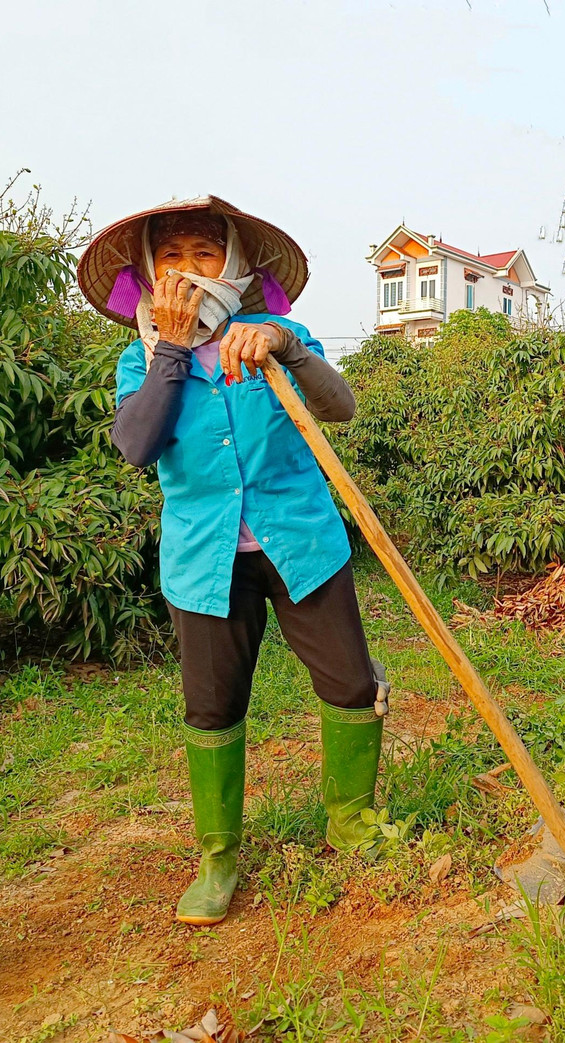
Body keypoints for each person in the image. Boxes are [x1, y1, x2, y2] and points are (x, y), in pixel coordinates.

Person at [76, 196, 388, 926]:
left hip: (301, 544)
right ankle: (218, 857)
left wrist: (287, 348)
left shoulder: (279, 335)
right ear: (150, 271)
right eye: (172, 256)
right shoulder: (141, 358)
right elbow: (136, 446)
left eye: (204, 254)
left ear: (235, 264)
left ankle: (352, 824)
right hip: (203, 558)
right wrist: (173, 352)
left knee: (349, 683)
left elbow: (340, 407)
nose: (188, 271)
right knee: (213, 705)